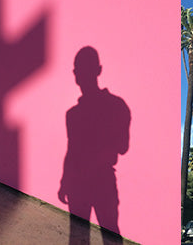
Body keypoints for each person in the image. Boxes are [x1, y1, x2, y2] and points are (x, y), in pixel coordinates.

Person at [58, 46, 130, 244]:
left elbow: (122, 146)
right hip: (79, 183)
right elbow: (70, 149)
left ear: (98, 69)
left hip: (101, 181)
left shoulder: (116, 106)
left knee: (110, 237)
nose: (80, 74)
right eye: (77, 69)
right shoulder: (71, 115)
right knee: (78, 238)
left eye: (84, 68)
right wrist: (64, 182)